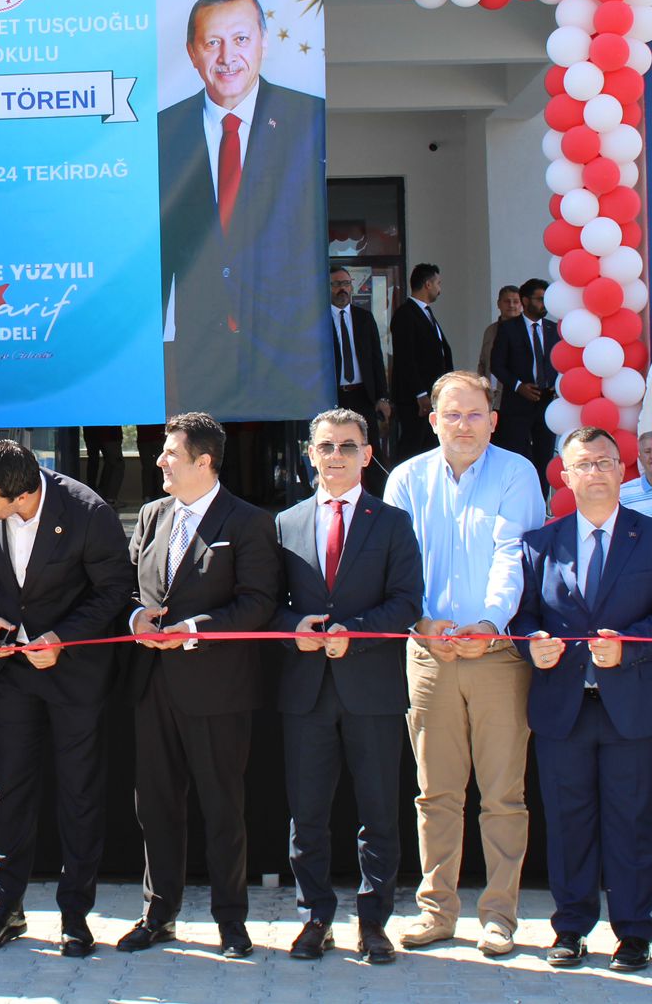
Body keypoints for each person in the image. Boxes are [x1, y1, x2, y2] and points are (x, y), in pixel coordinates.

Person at [514, 426, 652, 972]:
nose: (595, 472)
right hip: (562, 710)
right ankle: (570, 929)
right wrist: (532, 645)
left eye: (605, 462)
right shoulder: (540, 542)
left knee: (633, 823)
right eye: (583, 465)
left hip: (634, 708)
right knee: (567, 826)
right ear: (565, 477)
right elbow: (524, 616)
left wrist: (632, 646)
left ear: (624, 470)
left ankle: (635, 933)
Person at [384, 370, 546, 956]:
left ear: (494, 420)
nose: (463, 425)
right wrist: (420, 622)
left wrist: (491, 624)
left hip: (497, 654)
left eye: (475, 414)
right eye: (451, 414)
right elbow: (398, 564)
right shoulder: (406, 478)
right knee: (436, 793)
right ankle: (437, 911)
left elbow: (514, 555)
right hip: (427, 653)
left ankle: (499, 915)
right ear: (433, 420)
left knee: (503, 793)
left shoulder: (516, 473)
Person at [117, 412, 280, 960]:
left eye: (169, 454)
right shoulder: (151, 513)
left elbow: (259, 603)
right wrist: (136, 617)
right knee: (156, 806)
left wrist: (192, 631)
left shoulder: (249, 522)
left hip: (216, 687)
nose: (159, 460)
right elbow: (128, 587)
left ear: (204, 462)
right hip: (152, 685)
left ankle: (231, 921)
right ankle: (158, 913)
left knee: (221, 807)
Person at [0, 438, 131, 957]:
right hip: (12, 672)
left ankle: (75, 914)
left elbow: (114, 590)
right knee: (10, 789)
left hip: (73, 674)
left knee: (79, 792)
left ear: (20, 494)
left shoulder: (88, 512)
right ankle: (5, 907)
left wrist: (63, 639)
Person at [273, 408, 423, 963]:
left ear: (367, 453)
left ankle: (374, 921)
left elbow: (407, 602)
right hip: (306, 690)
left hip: (373, 688)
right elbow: (270, 606)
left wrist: (353, 634)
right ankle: (315, 916)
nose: (336, 455)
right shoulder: (285, 523)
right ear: (310, 453)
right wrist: (296, 631)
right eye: (326, 446)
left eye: (348, 446)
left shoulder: (393, 523)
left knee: (378, 810)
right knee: (307, 812)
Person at [158, 0, 329, 421]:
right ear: (192, 53)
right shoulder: (163, 133)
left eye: (240, 39)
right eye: (212, 42)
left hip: (288, 356)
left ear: (264, 42)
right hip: (201, 355)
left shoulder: (308, 120)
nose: (226, 56)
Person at [489, 278, 559, 480]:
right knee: (516, 457)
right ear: (525, 301)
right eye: (540, 299)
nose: (544, 304)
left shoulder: (553, 329)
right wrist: (519, 386)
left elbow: (560, 362)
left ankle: (542, 506)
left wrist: (556, 385)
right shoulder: (509, 328)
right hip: (517, 404)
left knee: (544, 458)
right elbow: (497, 365)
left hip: (546, 403)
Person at [389, 264, 455, 460]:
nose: (439, 288)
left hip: (433, 394)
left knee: (430, 445)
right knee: (413, 446)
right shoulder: (405, 314)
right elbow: (405, 358)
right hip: (416, 399)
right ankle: (403, 486)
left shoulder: (426, 313)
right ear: (428, 284)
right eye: (438, 283)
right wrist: (420, 394)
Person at [329, 267, 391, 456]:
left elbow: (376, 360)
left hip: (362, 395)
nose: (343, 289)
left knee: (369, 450)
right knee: (336, 448)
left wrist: (382, 396)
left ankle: (376, 486)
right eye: (337, 284)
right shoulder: (320, 320)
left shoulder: (364, 318)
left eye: (347, 283)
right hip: (334, 396)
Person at [478, 285, 522, 409]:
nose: (512, 305)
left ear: (522, 304)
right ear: (499, 304)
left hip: (515, 398)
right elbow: (482, 363)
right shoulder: (490, 331)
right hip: (491, 398)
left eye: (516, 301)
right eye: (507, 301)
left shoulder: (526, 332)